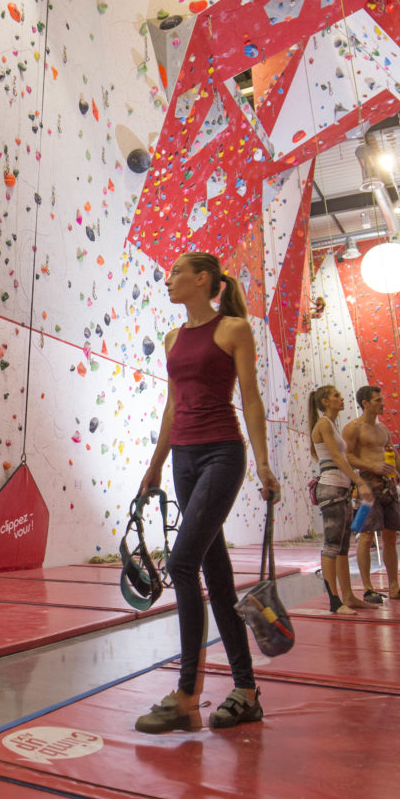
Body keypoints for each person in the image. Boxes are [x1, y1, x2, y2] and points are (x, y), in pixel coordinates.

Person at [135, 252, 279, 733]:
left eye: (176, 271)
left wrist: (262, 464)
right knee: (216, 576)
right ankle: (246, 692)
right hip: (183, 458)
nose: (168, 279)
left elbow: (251, 399)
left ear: (202, 280)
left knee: (180, 563)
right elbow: (172, 406)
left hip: (222, 453)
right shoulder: (173, 339)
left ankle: (186, 695)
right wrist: (155, 464)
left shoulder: (234, 329)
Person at [345, 385, 400, 601]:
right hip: (368, 484)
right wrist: (371, 466)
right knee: (366, 535)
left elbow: (393, 456)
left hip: (388, 485)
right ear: (365, 403)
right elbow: (347, 456)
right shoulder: (353, 428)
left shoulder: (382, 429)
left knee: (390, 536)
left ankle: (394, 586)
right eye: (378, 400)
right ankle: (368, 588)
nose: (382, 403)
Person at [307, 384, 376, 614]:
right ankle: (334, 601)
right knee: (332, 545)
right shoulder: (324, 424)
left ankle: (348, 595)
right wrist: (360, 481)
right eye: (336, 395)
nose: (341, 398)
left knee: (343, 547)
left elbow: (342, 456)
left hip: (341, 488)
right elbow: (337, 457)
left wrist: (353, 482)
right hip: (331, 488)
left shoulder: (332, 425)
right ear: (325, 401)